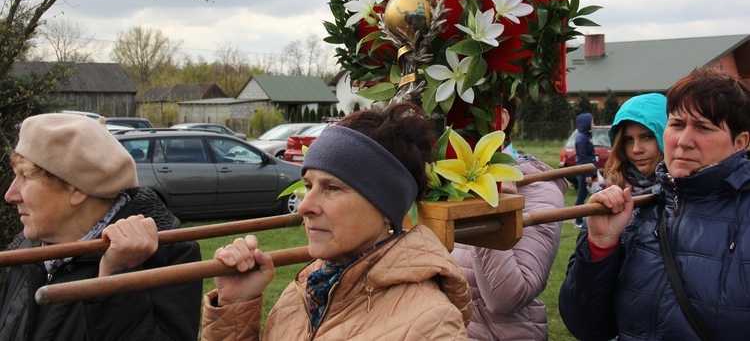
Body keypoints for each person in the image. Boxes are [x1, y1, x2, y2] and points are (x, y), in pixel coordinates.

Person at [201, 103, 473, 340]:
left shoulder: (430, 325)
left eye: (332, 188)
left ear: (386, 207)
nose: (305, 206)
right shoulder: (306, 290)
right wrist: (236, 305)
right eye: (309, 186)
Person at [559, 67, 750, 340]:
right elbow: (586, 328)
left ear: (740, 142)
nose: (684, 142)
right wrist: (600, 246)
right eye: (677, 125)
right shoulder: (632, 212)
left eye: (704, 128)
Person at [0, 113, 202, 340]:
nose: (10, 195)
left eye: (25, 176)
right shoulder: (29, 252)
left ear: (76, 188)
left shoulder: (167, 257)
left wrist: (116, 279)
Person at [452, 98, 567, 340]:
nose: (449, 133)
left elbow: (506, 298)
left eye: (460, 119)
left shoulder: (539, 191)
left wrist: (493, 210)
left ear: (500, 120)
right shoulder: (449, 181)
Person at [603, 93, 667, 194]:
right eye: (628, 140)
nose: (636, 149)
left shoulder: (685, 192)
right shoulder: (611, 188)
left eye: (647, 137)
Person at [573, 112, 596, 227]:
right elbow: (583, 157)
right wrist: (587, 175)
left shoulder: (586, 137)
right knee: (581, 196)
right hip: (583, 173)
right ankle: (577, 221)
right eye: (592, 122)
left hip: (588, 172)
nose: (593, 124)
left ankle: (580, 219)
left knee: (584, 195)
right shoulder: (581, 138)